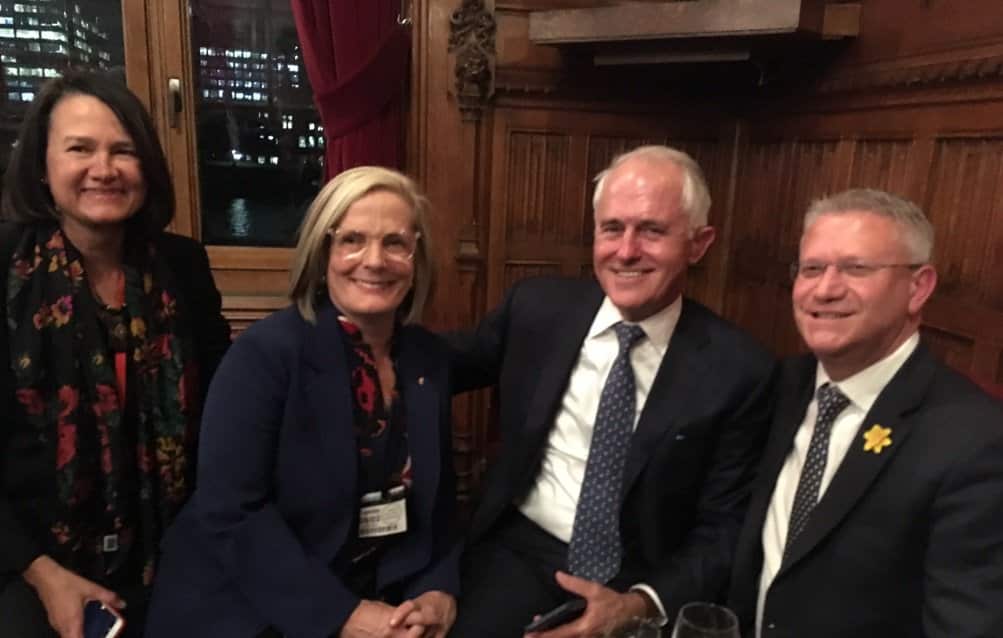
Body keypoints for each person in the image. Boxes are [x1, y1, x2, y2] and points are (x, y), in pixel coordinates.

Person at [447, 145, 776, 638]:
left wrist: (639, 604)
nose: (626, 251)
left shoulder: (739, 369)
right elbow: (436, 366)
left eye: (652, 231)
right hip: (519, 551)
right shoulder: (537, 310)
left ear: (698, 244)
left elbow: (725, 527)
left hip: (642, 578)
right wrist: (354, 328)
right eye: (612, 228)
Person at [146, 166, 460, 638]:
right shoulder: (265, 354)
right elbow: (231, 511)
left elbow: (440, 503)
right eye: (352, 239)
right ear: (322, 252)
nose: (375, 260)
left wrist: (439, 590)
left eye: (395, 243)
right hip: (248, 604)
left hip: (378, 594)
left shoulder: (426, 359)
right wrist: (344, 616)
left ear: (418, 258)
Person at [0, 71, 231, 637]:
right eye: (80, 149)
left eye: (123, 151)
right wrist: (42, 573)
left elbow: (224, 414)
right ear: (42, 166)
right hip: (29, 556)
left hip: (171, 544)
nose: (104, 169)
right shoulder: (5, 266)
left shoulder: (183, 267)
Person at [728, 189, 1003, 637]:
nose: (826, 289)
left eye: (856, 268)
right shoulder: (782, 385)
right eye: (811, 269)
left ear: (918, 287)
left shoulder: (976, 440)